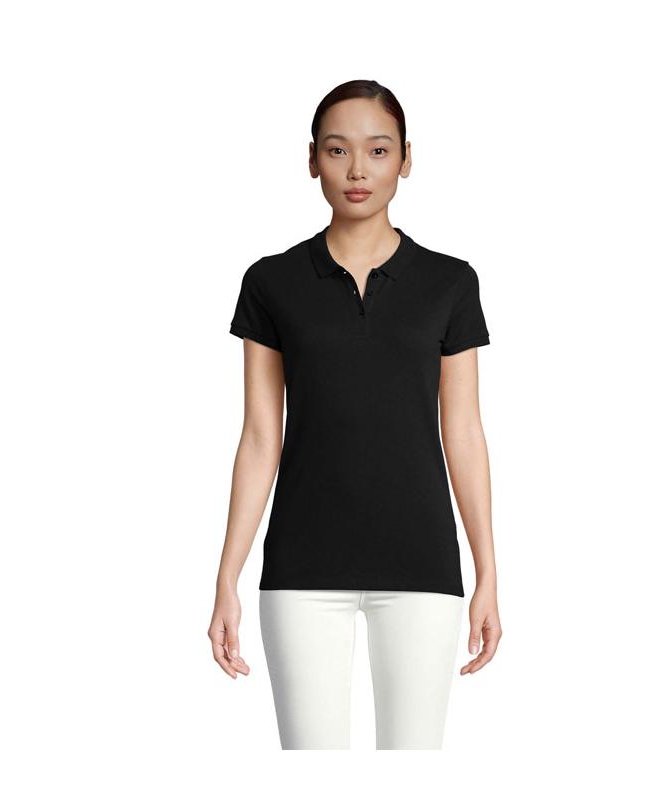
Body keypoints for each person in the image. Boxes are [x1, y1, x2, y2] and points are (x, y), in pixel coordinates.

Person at [208, 79, 502, 750]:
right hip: (302, 568)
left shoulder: (450, 282)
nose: (358, 170)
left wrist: (487, 570)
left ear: (406, 159)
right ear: (312, 159)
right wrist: (227, 575)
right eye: (338, 150)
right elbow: (260, 438)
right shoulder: (271, 282)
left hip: (422, 563)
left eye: (378, 149)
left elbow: (464, 432)